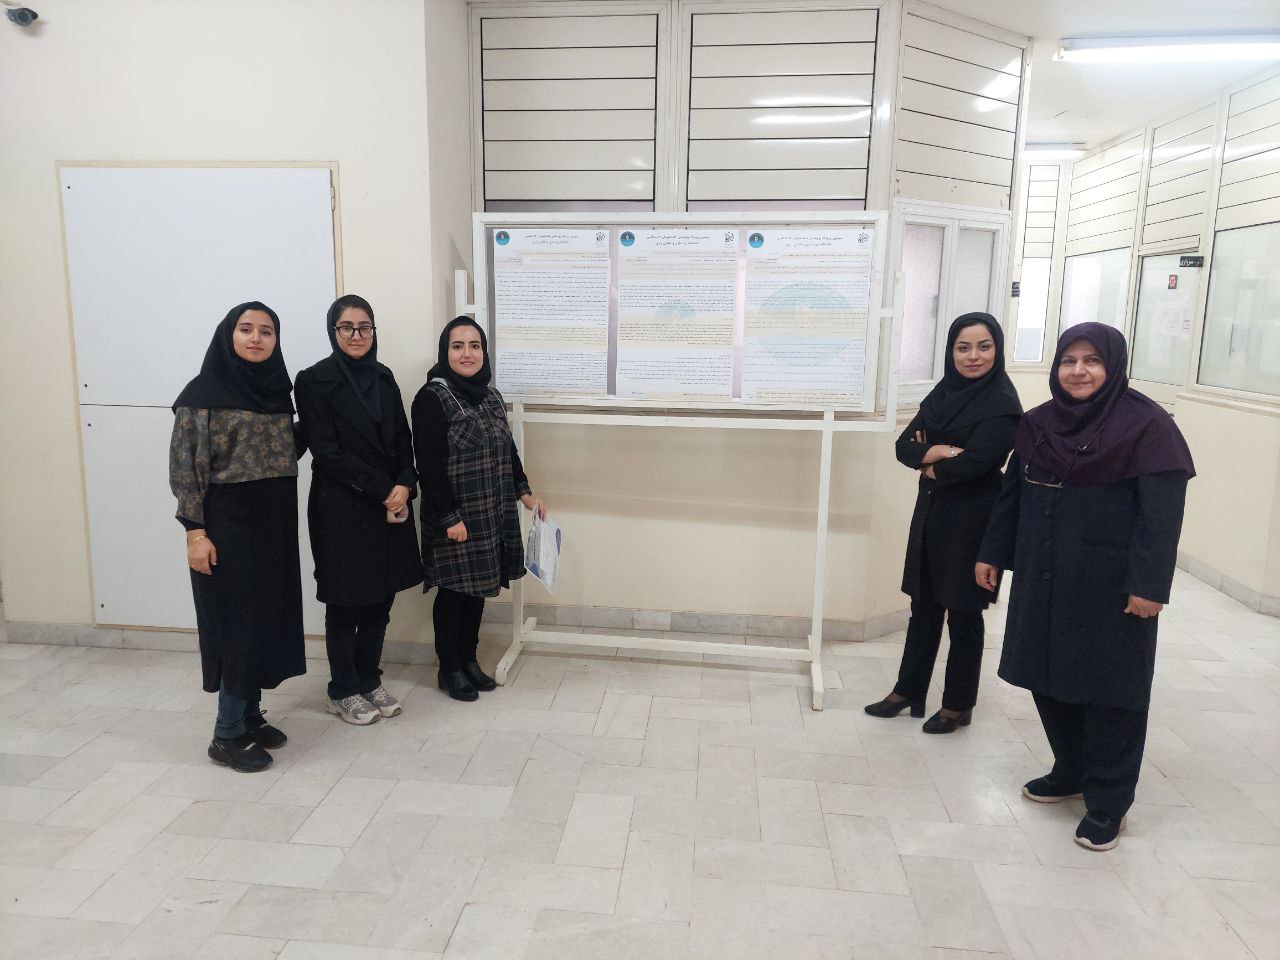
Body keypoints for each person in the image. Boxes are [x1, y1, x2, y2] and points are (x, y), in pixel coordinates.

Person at [976, 322, 1194, 851]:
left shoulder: (1148, 427)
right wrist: (992, 552)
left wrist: (1149, 586)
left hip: (1111, 586)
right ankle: (1070, 769)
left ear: (1113, 366)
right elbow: (1012, 495)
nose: (1078, 371)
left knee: (1112, 691)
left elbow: (1161, 519)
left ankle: (1108, 801)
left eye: (1092, 360)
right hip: (1044, 573)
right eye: (1068, 360)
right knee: (1047, 675)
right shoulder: (1038, 424)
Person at [865, 313, 1023, 733]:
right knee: (923, 606)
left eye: (984, 346)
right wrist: (940, 452)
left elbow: (977, 465)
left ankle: (958, 704)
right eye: (963, 347)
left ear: (997, 349)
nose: (973, 356)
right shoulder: (942, 394)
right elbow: (903, 447)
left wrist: (931, 461)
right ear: (951, 351)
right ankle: (908, 690)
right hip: (932, 514)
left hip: (974, 520)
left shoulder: (1003, 405)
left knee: (964, 613)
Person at [170, 302, 306, 773]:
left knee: (266, 619)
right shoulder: (201, 395)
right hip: (226, 527)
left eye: (266, 331)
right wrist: (195, 533)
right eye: (246, 329)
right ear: (228, 335)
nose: (256, 338)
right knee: (236, 627)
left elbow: (282, 451)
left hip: (274, 524)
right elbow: (185, 467)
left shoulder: (275, 392)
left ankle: (249, 715)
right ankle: (225, 734)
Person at [294, 294, 424, 725]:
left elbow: (403, 439)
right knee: (345, 601)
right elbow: (326, 451)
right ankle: (342, 688)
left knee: (381, 599)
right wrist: (385, 488)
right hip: (342, 507)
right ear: (333, 332)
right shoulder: (313, 380)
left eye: (364, 327)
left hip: (390, 505)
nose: (356, 335)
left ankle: (369, 678)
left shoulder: (384, 377)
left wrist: (405, 482)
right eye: (346, 327)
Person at [411, 316, 546, 702]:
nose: (467, 354)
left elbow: (508, 450)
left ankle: (469, 661)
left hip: (491, 512)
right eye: (458, 346)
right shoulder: (432, 398)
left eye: (475, 346)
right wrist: (449, 517)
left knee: (478, 591)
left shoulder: (491, 396)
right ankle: (449, 668)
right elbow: (429, 466)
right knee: (454, 593)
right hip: (455, 516)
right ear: (445, 352)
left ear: (484, 352)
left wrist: (525, 493)